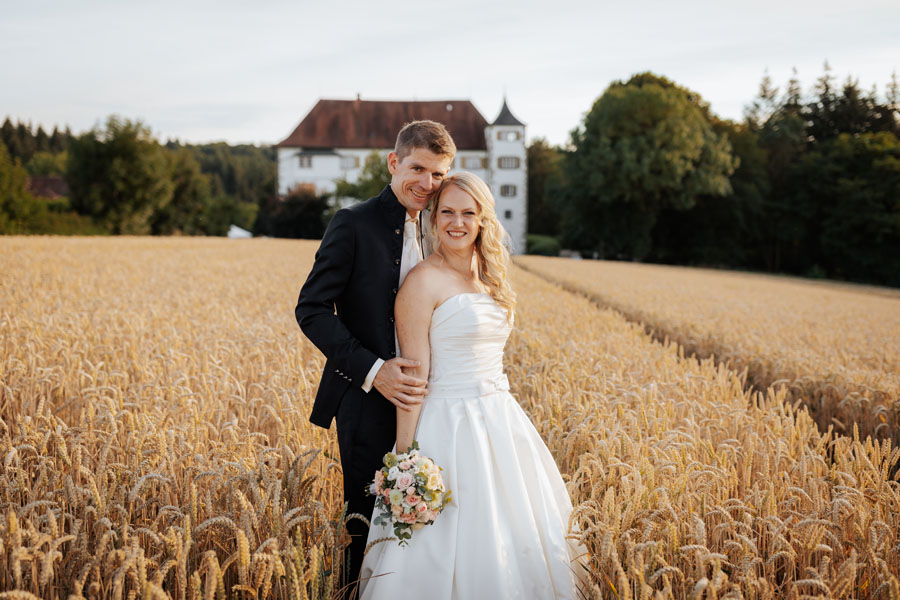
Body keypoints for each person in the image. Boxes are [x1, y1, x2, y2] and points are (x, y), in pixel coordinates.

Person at [359, 172, 586, 599]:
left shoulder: (491, 276)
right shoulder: (421, 281)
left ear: (483, 220)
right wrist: (404, 458)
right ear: (433, 218)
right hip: (448, 425)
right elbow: (413, 376)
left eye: (468, 213)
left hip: (502, 421)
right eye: (447, 212)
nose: (457, 222)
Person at [295, 120, 456, 591]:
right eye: (418, 168)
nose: (427, 184)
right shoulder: (353, 223)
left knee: (424, 527)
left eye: (439, 175)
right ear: (394, 162)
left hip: (431, 405)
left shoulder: (440, 230)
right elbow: (311, 309)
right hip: (365, 402)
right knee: (364, 528)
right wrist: (374, 371)